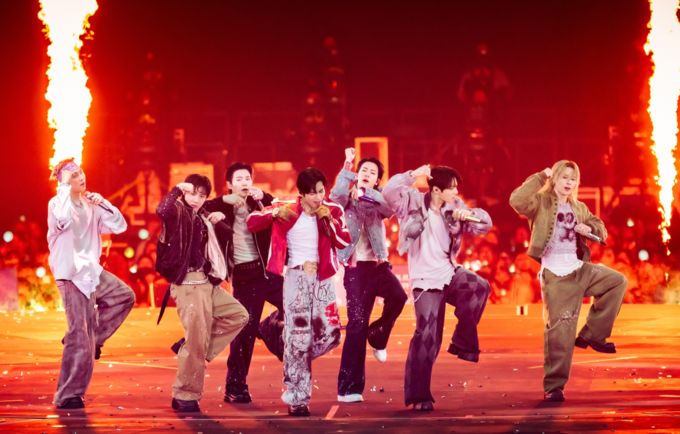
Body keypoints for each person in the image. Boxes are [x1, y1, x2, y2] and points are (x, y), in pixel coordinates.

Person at [509, 160, 627, 402]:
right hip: (555, 273)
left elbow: (600, 228)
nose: (569, 183)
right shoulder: (541, 202)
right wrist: (540, 176)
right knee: (560, 331)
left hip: (579, 268)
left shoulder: (579, 207)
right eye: (564, 177)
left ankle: (592, 334)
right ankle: (554, 386)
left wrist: (589, 228)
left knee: (617, 281)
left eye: (573, 179)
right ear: (555, 179)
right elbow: (517, 201)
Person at [384, 164, 492, 411]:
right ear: (435, 190)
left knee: (479, 287)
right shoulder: (411, 202)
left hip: (449, 272)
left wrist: (470, 216)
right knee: (427, 336)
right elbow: (389, 192)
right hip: (424, 280)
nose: (455, 192)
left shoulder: (454, 207)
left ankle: (463, 341)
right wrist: (413, 175)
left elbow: (485, 225)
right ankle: (418, 395)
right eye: (451, 188)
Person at [246, 167, 351, 416]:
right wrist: (273, 214)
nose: (318, 197)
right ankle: (297, 398)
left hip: (323, 279)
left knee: (331, 335)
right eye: (313, 193)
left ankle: (279, 337)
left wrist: (329, 221)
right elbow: (252, 222)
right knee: (300, 338)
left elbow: (344, 241)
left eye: (321, 191)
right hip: (296, 278)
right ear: (302, 193)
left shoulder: (333, 210)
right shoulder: (286, 208)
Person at [47, 159, 135, 409]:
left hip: (91, 272)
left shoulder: (92, 204)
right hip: (70, 274)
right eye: (74, 175)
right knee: (79, 335)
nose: (81, 177)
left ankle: (91, 338)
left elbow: (120, 225)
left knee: (124, 296)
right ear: (65, 182)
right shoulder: (57, 204)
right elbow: (63, 219)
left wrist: (103, 203)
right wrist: (65, 189)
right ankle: (68, 395)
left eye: (81, 172)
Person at [156, 174, 249, 412]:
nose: (196, 199)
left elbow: (225, 238)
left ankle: (192, 346)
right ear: (185, 193)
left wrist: (218, 219)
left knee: (239, 315)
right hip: (188, 284)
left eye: (201, 195)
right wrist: (177, 189)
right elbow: (162, 210)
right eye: (192, 193)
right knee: (196, 343)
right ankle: (184, 395)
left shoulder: (203, 216)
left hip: (207, 283)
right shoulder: (178, 213)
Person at [202, 162, 285, 404]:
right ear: (229, 184)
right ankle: (235, 387)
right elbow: (197, 208)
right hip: (244, 277)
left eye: (247, 178)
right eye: (238, 179)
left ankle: (265, 327)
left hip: (267, 273)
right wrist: (218, 208)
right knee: (244, 335)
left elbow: (282, 210)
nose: (244, 182)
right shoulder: (220, 205)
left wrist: (264, 198)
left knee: (297, 306)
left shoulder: (260, 202)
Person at [330, 148, 407, 403]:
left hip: (378, 266)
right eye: (363, 170)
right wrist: (347, 166)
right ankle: (348, 388)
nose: (367, 174)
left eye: (372, 172)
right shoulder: (347, 199)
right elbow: (335, 197)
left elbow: (389, 209)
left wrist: (369, 193)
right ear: (357, 174)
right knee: (357, 325)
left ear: (377, 180)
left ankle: (379, 336)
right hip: (356, 270)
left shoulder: (379, 200)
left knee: (398, 297)